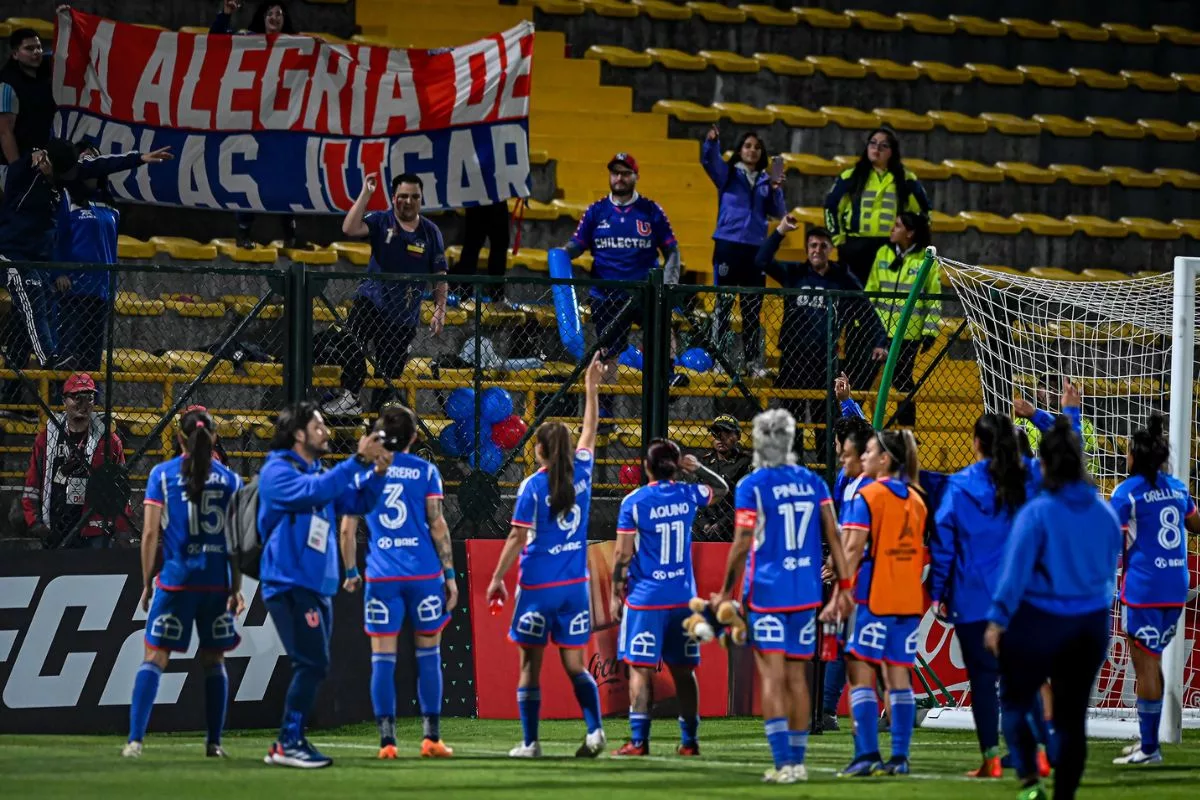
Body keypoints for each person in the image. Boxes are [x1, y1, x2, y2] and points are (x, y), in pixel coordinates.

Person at [711, 409, 853, 783]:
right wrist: (845, 587)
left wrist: (726, 591)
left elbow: (742, 543)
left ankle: (783, 763)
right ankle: (799, 761)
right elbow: (835, 538)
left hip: (768, 595)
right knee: (797, 679)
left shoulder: (752, 486)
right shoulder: (814, 483)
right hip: (805, 595)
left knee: (773, 680)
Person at [985, 417, 1121, 800]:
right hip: (1090, 624)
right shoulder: (1105, 513)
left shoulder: (1037, 513)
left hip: (1040, 621)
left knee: (1014, 699)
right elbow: (1109, 570)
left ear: (1043, 466)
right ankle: (1064, 794)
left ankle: (1029, 779)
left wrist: (997, 620)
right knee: (1072, 717)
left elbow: (1014, 576)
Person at [485, 354, 607, 759]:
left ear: (538, 451)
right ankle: (594, 732)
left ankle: (530, 742)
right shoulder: (583, 473)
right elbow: (590, 431)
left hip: (538, 588)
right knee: (576, 665)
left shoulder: (531, 488)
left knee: (529, 667)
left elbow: (517, 538)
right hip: (575, 588)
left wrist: (497, 578)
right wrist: (591, 388)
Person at [257, 402, 391, 768]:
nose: (326, 432)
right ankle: (288, 741)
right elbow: (314, 492)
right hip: (290, 582)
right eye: (318, 427)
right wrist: (358, 462)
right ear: (298, 434)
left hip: (316, 585)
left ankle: (288, 741)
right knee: (311, 663)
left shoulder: (319, 471)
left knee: (314, 663)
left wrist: (377, 472)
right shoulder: (277, 473)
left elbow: (358, 499)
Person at [0, 140, 172, 410]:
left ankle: (33, 389)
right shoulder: (24, 173)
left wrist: (140, 158)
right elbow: (19, 164)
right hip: (12, 254)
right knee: (31, 291)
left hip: (41, 260)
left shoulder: (69, 176)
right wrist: (32, 150)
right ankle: (49, 359)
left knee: (35, 310)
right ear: (45, 162)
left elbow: (101, 163)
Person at [122, 408, 243, 759]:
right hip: (216, 584)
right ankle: (214, 743)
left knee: (155, 657)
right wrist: (236, 588)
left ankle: (135, 741)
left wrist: (146, 582)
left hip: (177, 581)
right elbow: (236, 540)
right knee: (214, 661)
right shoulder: (232, 480)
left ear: (178, 438)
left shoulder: (162, 475)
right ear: (216, 438)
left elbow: (148, 534)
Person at [338, 405, 458, 759]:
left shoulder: (364, 472)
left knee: (382, 659)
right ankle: (431, 738)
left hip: (382, 576)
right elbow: (437, 524)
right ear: (415, 438)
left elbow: (347, 528)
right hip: (423, 575)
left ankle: (387, 743)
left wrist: (350, 572)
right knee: (429, 654)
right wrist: (449, 574)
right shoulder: (426, 471)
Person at [930, 414, 1045, 779]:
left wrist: (937, 592)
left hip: (974, 597)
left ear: (976, 443)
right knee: (1024, 678)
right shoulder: (1031, 476)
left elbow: (944, 544)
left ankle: (991, 759)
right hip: (1023, 596)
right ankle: (1038, 753)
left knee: (982, 681)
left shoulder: (960, 485)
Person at [609, 439, 729, 756]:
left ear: (646, 467)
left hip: (646, 600)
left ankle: (639, 741)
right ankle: (689, 742)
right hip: (682, 600)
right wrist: (699, 468)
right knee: (684, 672)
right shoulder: (688, 494)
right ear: (675, 467)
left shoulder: (634, 502)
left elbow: (622, 554)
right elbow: (722, 490)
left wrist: (614, 594)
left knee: (640, 669)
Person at [1109, 413, 1200, 766]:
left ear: (1133, 457)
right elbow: (1196, 523)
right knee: (1153, 661)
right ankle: (1149, 741)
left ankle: (1150, 748)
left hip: (1144, 589)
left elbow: (1112, 542)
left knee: (1144, 667)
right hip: (1177, 586)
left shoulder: (1126, 492)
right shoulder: (1178, 488)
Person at [757, 219, 887, 463]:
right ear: (807, 249)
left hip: (825, 362)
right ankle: (794, 470)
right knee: (791, 420)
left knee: (825, 422)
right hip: (793, 360)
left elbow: (867, 310)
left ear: (830, 249)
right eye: (813, 245)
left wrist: (880, 341)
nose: (817, 250)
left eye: (823, 245)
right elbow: (761, 260)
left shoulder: (842, 279)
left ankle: (824, 471)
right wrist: (781, 231)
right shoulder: (794, 274)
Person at [564, 153, 679, 427]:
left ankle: (670, 376)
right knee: (607, 353)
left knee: (664, 326)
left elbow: (672, 250)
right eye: (615, 173)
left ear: (636, 176)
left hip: (644, 292)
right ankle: (605, 414)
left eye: (625, 173)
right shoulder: (596, 211)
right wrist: (560, 255)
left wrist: (669, 282)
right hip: (607, 295)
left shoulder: (651, 211)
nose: (619, 178)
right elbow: (576, 245)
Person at [837, 430, 927, 777]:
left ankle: (867, 754)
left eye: (870, 452)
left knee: (860, 676)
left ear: (885, 460)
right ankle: (900, 758)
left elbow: (852, 549)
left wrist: (842, 591)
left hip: (873, 599)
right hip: (907, 602)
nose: (865, 458)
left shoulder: (869, 495)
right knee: (898, 679)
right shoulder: (917, 499)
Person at [53, 139, 174, 371]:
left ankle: (89, 404)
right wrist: (59, 272)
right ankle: (61, 406)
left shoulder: (109, 205)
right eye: (84, 158)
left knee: (92, 359)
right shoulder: (66, 197)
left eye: (93, 158)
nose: (89, 162)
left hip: (101, 291)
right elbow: (57, 237)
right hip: (73, 290)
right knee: (68, 357)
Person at [338, 172, 448, 415]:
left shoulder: (431, 232)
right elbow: (349, 227)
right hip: (372, 302)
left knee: (387, 380)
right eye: (403, 196)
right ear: (393, 197)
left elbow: (440, 274)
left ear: (421, 199)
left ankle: (376, 429)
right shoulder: (380, 220)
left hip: (403, 317)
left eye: (414, 197)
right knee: (349, 339)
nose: (408, 201)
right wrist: (366, 194)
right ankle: (350, 395)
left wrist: (440, 309)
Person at [210, 0, 302, 248]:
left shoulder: (296, 45)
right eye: (270, 13)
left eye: (279, 14)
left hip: (283, 125)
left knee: (287, 178)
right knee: (250, 177)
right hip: (251, 121)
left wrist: (320, 47)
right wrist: (225, 14)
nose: (274, 17)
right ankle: (243, 233)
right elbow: (216, 41)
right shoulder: (248, 39)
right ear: (262, 18)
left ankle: (291, 237)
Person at [701, 126, 786, 375]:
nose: (752, 151)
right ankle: (719, 361)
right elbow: (709, 161)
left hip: (755, 250)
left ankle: (752, 363)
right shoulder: (728, 174)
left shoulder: (765, 180)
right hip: (727, 245)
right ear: (739, 150)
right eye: (748, 146)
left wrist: (776, 189)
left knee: (752, 308)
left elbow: (778, 212)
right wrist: (712, 143)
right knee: (723, 306)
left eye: (757, 148)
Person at [22, 373, 132, 549]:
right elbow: (33, 483)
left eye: (89, 398)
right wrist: (34, 521)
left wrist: (122, 529)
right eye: (76, 397)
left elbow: (120, 490)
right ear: (64, 400)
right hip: (55, 524)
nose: (83, 404)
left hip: (95, 528)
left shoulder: (109, 442)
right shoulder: (46, 438)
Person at [819, 410, 875, 730]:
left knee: (855, 648)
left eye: (842, 450)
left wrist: (838, 567)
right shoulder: (887, 483)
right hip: (875, 572)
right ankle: (828, 708)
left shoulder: (859, 487)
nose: (839, 456)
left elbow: (852, 537)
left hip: (862, 574)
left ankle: (832, 711)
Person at [823, 128, 930, 286]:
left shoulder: (906, 179)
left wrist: (911, 242)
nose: (876, 148)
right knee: (853, 297)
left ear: (892, 151)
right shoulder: (851, 176)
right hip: (855, 246)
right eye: (872, 143)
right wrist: (839, 240)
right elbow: (830, 207)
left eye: (883, 145)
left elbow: (924, 212)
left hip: (890, 247)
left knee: (886, 293)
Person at [863, 212, 940, 427]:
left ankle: (906, 431)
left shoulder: (926, 260)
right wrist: (864, 324)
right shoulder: (883, 254)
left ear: (910, 232)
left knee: (902, 381)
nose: (892, 229)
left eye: (897, 225)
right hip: (878, 333)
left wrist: (930, 332)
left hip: (908, 335)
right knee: (864, 380)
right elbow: (871, 292)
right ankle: (856, 428)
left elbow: (932, 300)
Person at [0, 28, 55, 181]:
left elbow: (67, 50)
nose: (36, 52)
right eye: (29, 49)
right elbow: (5, 133)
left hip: (43, 160)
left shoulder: (44, 67)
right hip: (17, 164)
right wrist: (18, 171)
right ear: (15, 54)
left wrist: (67, 22)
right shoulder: (7, 85)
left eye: (38, 47)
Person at [692, 414, 751, 540]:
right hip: (703, 529)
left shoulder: (745, 463)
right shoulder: (704, 462)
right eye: (716, 433)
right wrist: (704, 524)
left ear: (738, 437)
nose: (721, 438)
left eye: (727, 434)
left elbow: (745, 502)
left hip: (731, 527)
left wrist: (722, 523)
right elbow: (695, 498)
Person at [1014, 377, 1098, 465]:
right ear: (1037, 392)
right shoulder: (1022, 423)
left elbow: (1093, 459)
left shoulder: (1084, 424)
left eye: (1056, 387)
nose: (1051, 391)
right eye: (1046, 386)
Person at [451, 201, 511, 305]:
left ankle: (467, 295)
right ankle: (468, 295)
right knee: (475, 246)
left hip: (481, 199)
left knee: (477, 246)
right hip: (487, 198)